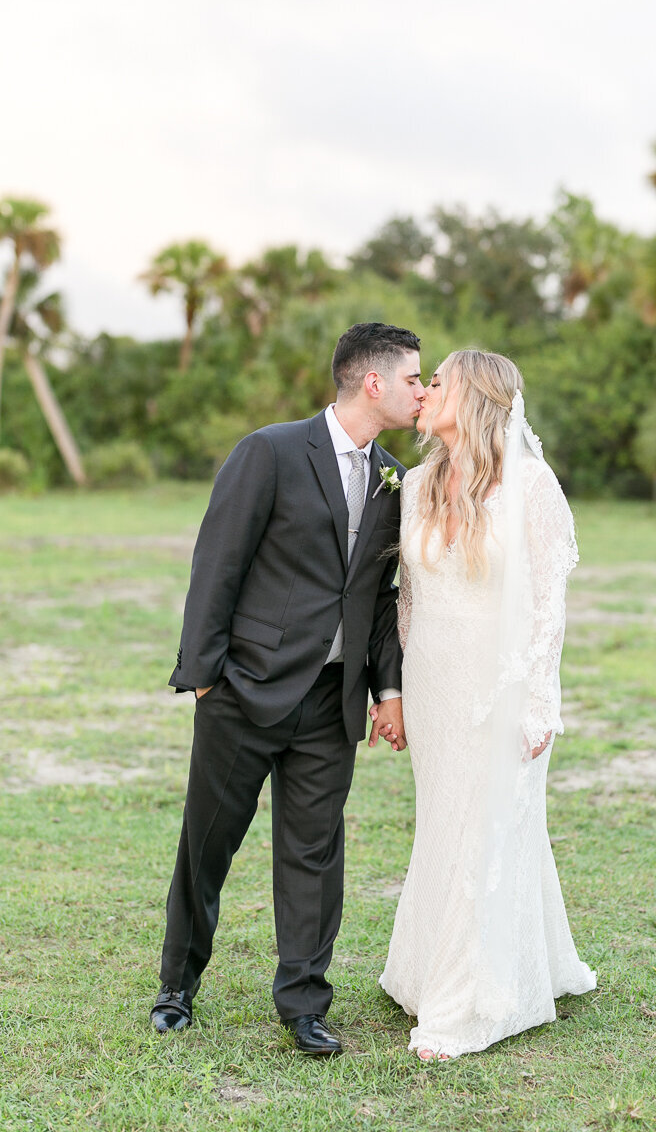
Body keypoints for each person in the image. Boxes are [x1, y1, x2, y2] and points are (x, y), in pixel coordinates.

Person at [150, 322, 426, 1056]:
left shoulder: (394, 478)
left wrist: (384, 689)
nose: (420, 393)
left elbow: (380, 600)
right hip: (244, 691)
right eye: (412, 379)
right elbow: (218, 562)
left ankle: (304, 1004)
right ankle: (177, 985)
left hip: (332, 701)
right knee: (207, 846)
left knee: (314, 855)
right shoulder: (269, 451)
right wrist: (204, 679)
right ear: (373, 382)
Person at [377, 349, 596, 1060]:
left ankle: (467, 1001)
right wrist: (396, 690)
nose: (424, 392)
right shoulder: (415, 484)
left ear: (472, 397)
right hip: (434, 682)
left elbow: (549, 605)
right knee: (446, 821)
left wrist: (539, 702)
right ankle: (444, 964)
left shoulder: (530, 484)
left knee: (487, 826)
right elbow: (407, 600)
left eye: (437, 381)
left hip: (499, 686)